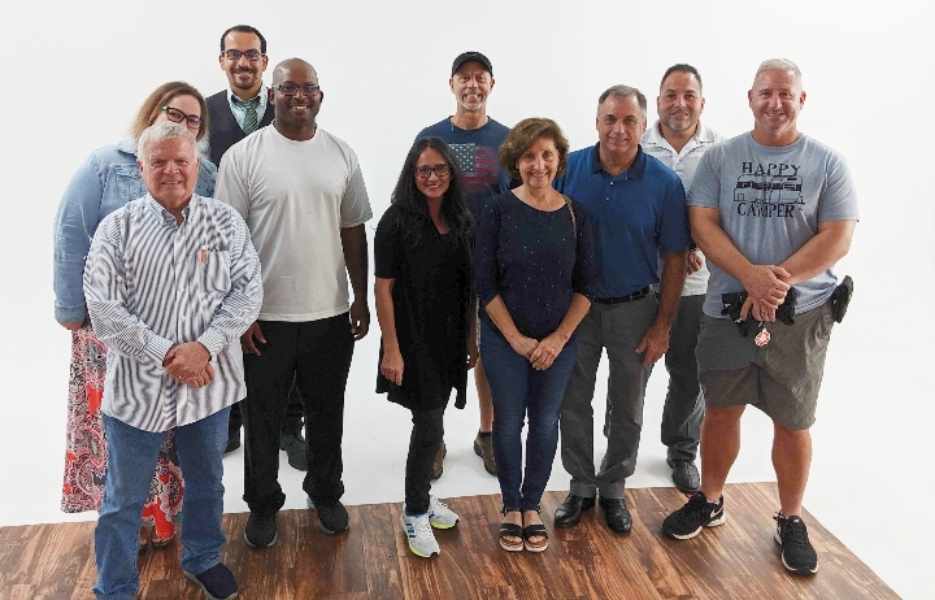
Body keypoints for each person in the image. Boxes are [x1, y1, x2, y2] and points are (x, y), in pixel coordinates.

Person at [662, 59, 858, 577]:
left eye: (785, 93)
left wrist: (775, 283)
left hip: (802, 316)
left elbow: (838, 236)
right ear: (750, 98)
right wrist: (749, 276)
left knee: (793, 421)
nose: (775, 102)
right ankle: (710, 499)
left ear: (801, 100)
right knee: (721, 411)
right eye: (766, 93)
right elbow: (702, 224)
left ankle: (790, 518)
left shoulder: (828, 163)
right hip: (728, 312)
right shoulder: (721, 158)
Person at [84, 121, 262, 600]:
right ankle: (114, 587)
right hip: (137, 389)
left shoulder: (226, 223)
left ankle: (203, 558)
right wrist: (167, 353)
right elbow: (103, 308)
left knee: (207, 483)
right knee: (123, 499)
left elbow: (248, 293)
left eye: (180, 161)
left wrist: (204, 347)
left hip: (210, 386)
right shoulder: (116, 229)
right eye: (158, 162)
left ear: (196, 165)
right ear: (141, 168)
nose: (171, 171)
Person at [216, 58, 373, 547]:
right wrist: (239, 314)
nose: (298, 96)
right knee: (261, 418)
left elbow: (353, 229)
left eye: (308, 88)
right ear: (272, 96)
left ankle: (325, 493)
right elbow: (227, 241)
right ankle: (263, 505)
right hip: (265, 318)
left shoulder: (341, 154)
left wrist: (360, 297)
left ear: (320, 96)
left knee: (327, 413)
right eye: (287, 88)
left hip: (330, 313)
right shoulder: (243, 157)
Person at [54, 82, 217, 549]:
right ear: (152, 111)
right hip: (110, 328)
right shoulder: (105, 164)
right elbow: (70, 232)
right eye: (173, 113)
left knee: (166, 428)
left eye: (192, 121)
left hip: (173, 329)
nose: (182, 124)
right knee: (118, 428)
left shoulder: (205, 173)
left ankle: (163, 519)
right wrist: (71, 308)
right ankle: (127, 526)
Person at [554, 85, 690, 535]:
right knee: (574, 399)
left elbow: (675, 258)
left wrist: (663, 325)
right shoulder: (568, 169)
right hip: (576, 310)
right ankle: (580, 485)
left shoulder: (664, 183)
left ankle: (613, 487)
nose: (619, 129)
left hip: (636, 309)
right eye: (610, 119)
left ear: (643, 126)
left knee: (628, 404)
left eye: (630, 121)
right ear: (596, 122)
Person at [475, 118, 595, 553]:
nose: (538, 164)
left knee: (545, 423)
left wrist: (557, 340)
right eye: (529, 156)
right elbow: (485, 285)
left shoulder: (577, 214)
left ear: (559, 160)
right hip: (504, 339)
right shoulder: (497, 210)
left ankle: (531, 506)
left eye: (546, 155)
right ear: (516, 161)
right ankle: (511, 506)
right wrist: (516, 339)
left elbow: (586, 288)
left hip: (557, 343)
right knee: (508, 422)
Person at [207, 24, 306, 468]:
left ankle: (290, 426)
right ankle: (229, 422)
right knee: (226, 335)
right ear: (222, 61)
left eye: (252, 55)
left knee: (290, 337)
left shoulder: (288, 105)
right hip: (220, 248)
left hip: (281, 243)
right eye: (234, 54)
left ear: (265, 62)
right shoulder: (203, 113)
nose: (243, 63)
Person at [374, 138, 475, 558]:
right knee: (429, 424)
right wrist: (391, 349)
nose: (432, 177)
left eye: (440, 169)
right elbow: (382, 289)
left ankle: (423, 498)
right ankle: (415, 511)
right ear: (411, 175)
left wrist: (470, 338)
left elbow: (468, 287)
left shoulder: (461, 219)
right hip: (412, 341)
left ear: (451, 173)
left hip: (450, 339)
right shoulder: (395, 221)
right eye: (423, 170)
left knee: (433, 420)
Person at [415, 51, 511, 478]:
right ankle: (433, 438)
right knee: (438, 352)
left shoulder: (508, 140)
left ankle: (487, 433)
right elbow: (414, 199)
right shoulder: (430, 137)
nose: (472, 84)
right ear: (452, 84)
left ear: (491, 84)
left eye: (480, 77)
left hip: (493, 265)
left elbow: (519, 202)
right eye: (464, 77)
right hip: (440, 266)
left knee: (491, 353)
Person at [641, 64, 723, 492]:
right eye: (671, 95)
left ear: (702, 102)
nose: (680, 104)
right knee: (632, 374)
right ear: (658, 101)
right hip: (641, 283)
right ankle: (618, 453)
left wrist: (698, 247)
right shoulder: (636, 144)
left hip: (697, 286)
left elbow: (728, 215)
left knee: (689, 374)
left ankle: (681, 450)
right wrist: (669, 249)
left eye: (688, 95)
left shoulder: (721, 150)